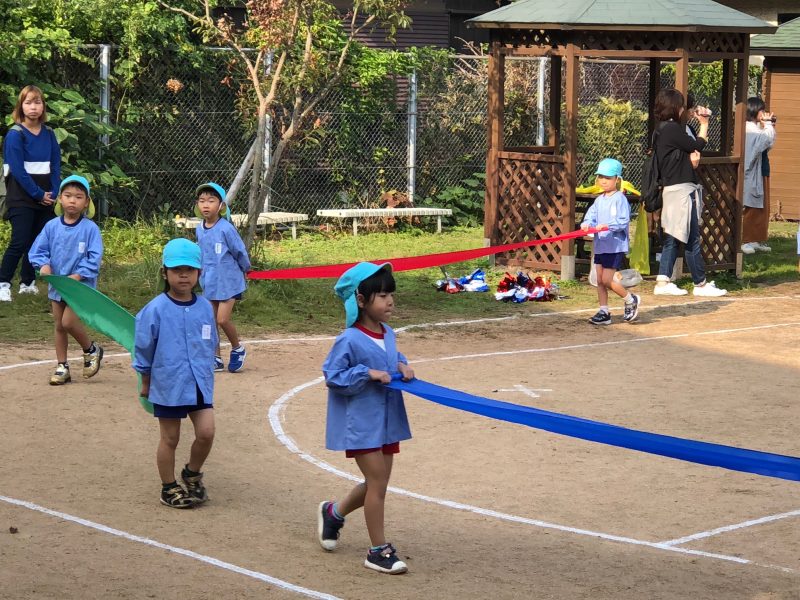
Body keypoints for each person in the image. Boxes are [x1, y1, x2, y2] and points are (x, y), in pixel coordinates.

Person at [317, 263, 414, 575]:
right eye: (382, 296)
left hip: (387, 420)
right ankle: (377, 551)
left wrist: (402, 364)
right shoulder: (348, 338)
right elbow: (333, 375)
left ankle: (334, 513)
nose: (390, 301)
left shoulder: (388, 333)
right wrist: (367, 373)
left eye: (391, 295)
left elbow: (391, 357)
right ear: (360, 301)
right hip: (360, 422)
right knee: (377, 483)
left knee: (378, 482)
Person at [133, 238, 217, 509]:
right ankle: (168, 487)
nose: (183, 275)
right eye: (177, 270)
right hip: (169, 383)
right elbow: (143, 347)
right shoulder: (155, 309)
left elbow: (210, 341)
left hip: (198, 382)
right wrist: (146, 380)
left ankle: (191, 473)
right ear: (164, 272)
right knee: (170, 438)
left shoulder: (205, 306)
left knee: (206, 433)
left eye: (190, 270)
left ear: (199, 273)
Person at [28, 175, 104, 385]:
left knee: (68, 322)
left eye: (79, 197)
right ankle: (62, 367)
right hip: (58, 285)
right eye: (68, 195)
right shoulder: (51, 226)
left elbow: (94, 258)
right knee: (59, 326)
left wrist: (78, 275)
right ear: (60, 199)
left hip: (80, 286)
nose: (73, 200)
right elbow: (38, 251)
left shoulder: (90, 229)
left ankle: (91, 350)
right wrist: (43, 265)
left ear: (86, 202)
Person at [652, 88, 727, 297]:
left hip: (674, 189)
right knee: (691, 237)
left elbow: (682, 154)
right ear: (675, 107)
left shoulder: (662, 129)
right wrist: (704, 124)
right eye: (682, 106)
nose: (684, 109)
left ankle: (663, 281)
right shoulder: (672, 129)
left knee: (673, 236)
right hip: (681, 191)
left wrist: (690, 160)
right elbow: (697, 145)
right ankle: (700, 284)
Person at [0, 85, 60, 302]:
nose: (33, 107)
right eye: (28, 102)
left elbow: (55, 165)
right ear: (21, 106)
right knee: (20, 240)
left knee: (37, 243)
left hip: (46, 198)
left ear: (43, 106)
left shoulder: (49, 133)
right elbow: (18, 170)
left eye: (37, 102)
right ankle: (3, 284)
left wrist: (53, 192)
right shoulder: (15, 134)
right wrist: (38, 194)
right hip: (21, 198)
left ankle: (27, 283)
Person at [194, 182, 250, 373]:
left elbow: (239, 251)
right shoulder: (199, 229)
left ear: (221, 206)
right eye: (202, 201)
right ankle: (216, 357)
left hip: (229, 282)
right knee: (210, 322)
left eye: (211, 200)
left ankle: (238, 349)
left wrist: (246, 268)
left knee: (222, 320)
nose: (206, 205)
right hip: (209, 283)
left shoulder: (226, 228)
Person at [581, 158, 640, 325]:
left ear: (617, 179)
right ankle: (604, 311)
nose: (603, 181)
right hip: (600, 245)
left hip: (614, 246)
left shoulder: (620, 199)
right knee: (600, 280)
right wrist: (587, 224)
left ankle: (631, 299)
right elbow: (591, 216)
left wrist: (607, 226)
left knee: (607, 280)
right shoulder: (599, 200)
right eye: (601, 177)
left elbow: (623, 221)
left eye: (608, 177)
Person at [741, 97, 776, 255]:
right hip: (752, 173)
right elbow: (763, 141)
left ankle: (755, 238)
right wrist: (768, 125)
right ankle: (745, 240)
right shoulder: (748, 129)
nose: (763, 113)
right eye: (761, 110)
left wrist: (769, 126)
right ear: (754, 110)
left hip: (761, 171)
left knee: (761, 207)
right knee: (750, 207)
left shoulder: (756, 128)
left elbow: (767, 144)